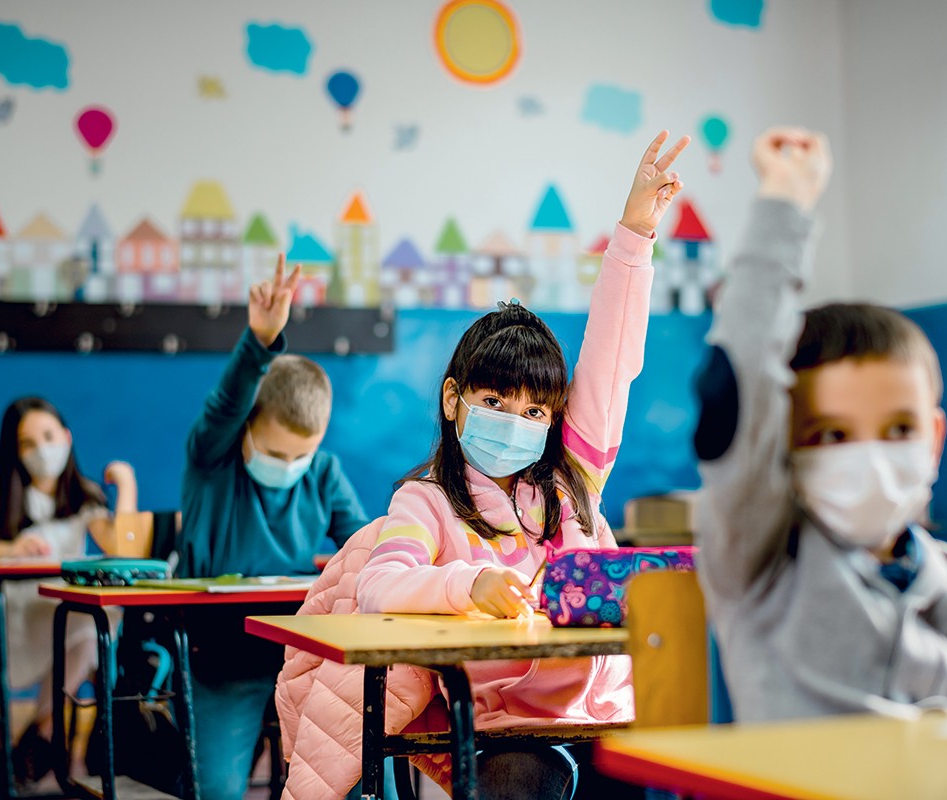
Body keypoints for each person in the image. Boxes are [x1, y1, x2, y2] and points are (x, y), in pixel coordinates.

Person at [276, 129, 690, 800]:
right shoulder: (427, 502)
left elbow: (614, 357)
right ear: (453, 399)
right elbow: (382, 585)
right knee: (520, 777)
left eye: (535, 411)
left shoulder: (571, 481)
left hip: (597, 712)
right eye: (495, 401)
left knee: (658, 769)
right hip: (502, 731)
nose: (516, 422)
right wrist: (465, 587)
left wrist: (636, 232)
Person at [691, 126, 947, 722]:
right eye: (832, 435)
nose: (869, 455)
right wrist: (785, 201)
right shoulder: (762, 565)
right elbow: (739, 381)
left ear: (935, 440)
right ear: (781, 447)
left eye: (899, 430)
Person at [178, 260, 369, 800]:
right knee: (214, 789)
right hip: (219, 659)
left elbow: (362, 543)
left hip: (303, 657)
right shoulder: (212, 460)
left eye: (301, 455)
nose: (288, 465)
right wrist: (261, 340)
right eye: (275, 450)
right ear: (247, 429)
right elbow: (224, 404)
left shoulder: (324, 472)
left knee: (347, 775)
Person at [0, 395, 137, 786]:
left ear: (66, 437)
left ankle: (42, 728)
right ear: (15, 452)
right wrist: (9, 548)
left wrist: (127, 484)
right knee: (87, 625)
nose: (41, 450)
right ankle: (45, 735)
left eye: (48, 436)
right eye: (27, 443)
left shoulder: (83, 495)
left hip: (60, 612)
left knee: (97, 623)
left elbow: (122, 546)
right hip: (10, 614)